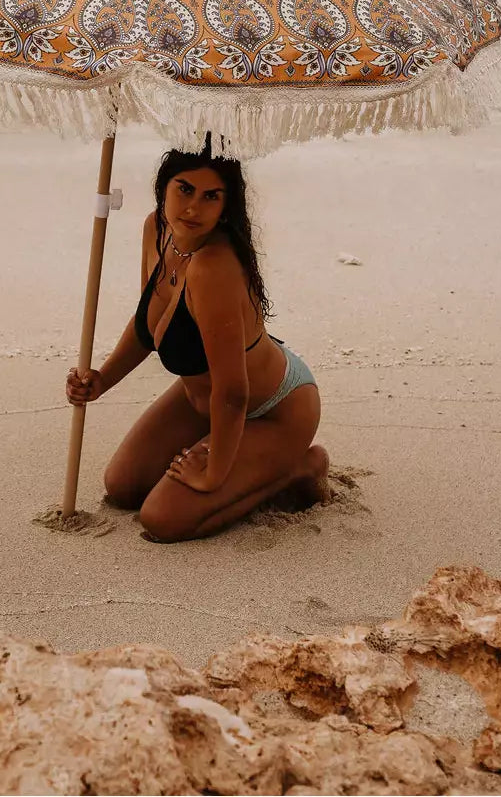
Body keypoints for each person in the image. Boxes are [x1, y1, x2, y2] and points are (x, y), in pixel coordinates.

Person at [66, 138, 329, 541]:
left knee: (163, 520)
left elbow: (233, 392)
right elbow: (148, 327)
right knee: (123, 486)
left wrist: (213, 474)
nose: (193, 208)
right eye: (184, 189)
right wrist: (102, 379)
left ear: (226, 206)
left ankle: (299, 468)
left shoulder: (214, 267)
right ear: (164, 187)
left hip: (271, 409)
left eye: (211, 196)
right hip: (204, 402)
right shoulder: (157, 229)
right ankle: (247, 468)